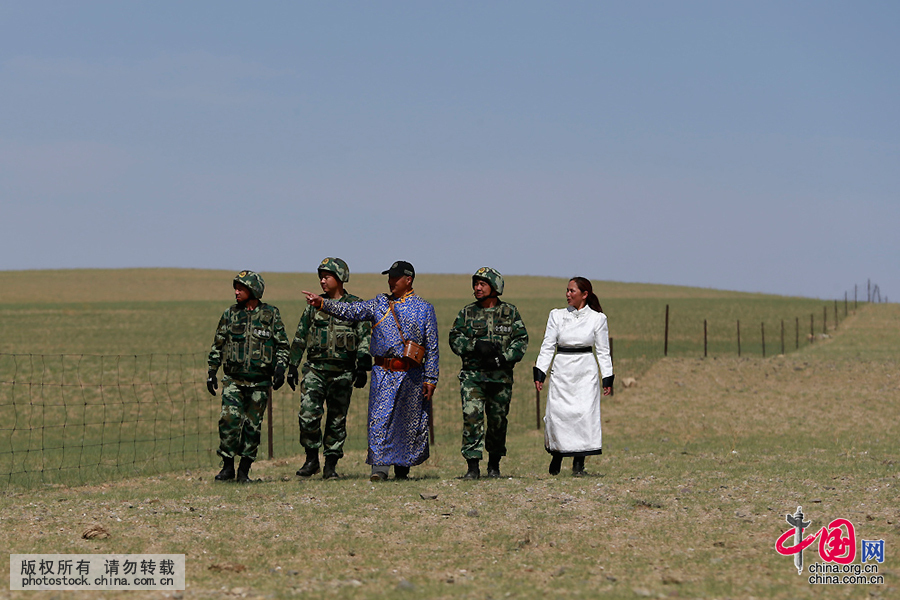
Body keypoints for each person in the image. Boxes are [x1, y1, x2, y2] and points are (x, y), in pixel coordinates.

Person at [301, 260, 438, 481]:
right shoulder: (379, 304)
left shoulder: (424, 309)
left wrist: (431, 379)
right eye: (389, 277)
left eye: (395, 277)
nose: (390, 281)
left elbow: (432, 346)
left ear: (409, 280)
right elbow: (351, 310)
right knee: (379, 419)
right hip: (383, 371)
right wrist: (322, 304)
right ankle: (379, 469)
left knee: (406, 422)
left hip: (412, 374)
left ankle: (402, 469)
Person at [288, 258, 372, 480]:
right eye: (321, 277)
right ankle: (311, 459)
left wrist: (363, 364)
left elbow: (365, 336)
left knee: (337, 419)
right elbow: (300, 336)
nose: (322, 281)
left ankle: (331, 465)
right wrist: (291, 366)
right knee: (308, 415)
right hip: (315, 369)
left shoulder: (355, 305)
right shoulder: (314, 305)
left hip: (343, 372)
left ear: (340, 277)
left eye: (327, 276)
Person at [207, 270, 290, 483]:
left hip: (260, 382)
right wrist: (211, 371)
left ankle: (244, 470)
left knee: (252, 427)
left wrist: (281, 368)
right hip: (233, 380)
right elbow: (218, 343)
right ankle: (227, 467)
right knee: (229, 420)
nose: (236, 292)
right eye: (235, 288)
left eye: (241, 288)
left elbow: (282, 345)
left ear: (253, 290)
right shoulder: (230, 314)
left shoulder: (270, 314)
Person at [449, 267, 528, 479]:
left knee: (497, 420)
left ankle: (494, 464)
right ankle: (472, 466)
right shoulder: (467, 313)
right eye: (476, 284)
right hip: (473, 377)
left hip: (500, 378)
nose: (477, 288)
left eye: (482, 284)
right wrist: (475, 345)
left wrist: (505, 357)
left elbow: (521, 339)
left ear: (495, 287)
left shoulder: (510, 312)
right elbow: (455, 338)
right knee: (472, 417)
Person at [533, 277, 614, 477]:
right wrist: (540, 371)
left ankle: (579, 464)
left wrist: (607, 377)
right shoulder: (556, 316)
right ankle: (558, 453)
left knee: (584, 414)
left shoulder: (597, 319)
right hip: (562, 369)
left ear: (584, 294)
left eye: (572, 291)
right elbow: (548, 345)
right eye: (567, 290)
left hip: (585, 370)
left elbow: (603, 351)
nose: (568, 294)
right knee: (559, 413)